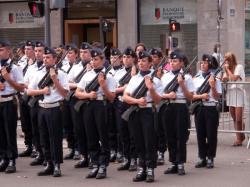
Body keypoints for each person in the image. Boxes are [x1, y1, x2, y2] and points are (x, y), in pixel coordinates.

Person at [27, 47, 69, 177]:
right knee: (43, 137)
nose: (45, 59)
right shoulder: (38, 73)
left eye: (48, 57)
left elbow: (65, 94)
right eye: (44, 57)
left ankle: (57, 165)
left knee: (55, 138)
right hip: (42, 108)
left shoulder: (61, 73)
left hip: (55, 108)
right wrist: (42, 92)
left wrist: (55, 79)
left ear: (55, 59)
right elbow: (29, 91)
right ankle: (48, 163)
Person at [75, 48, 116, 179]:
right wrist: (87, 94)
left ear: (103, 60)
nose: (93, 62)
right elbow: (77, 92)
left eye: (96, 59)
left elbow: (112, 97)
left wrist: (103, 86)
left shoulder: (108, 76)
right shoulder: (87, 75)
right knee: (91, 136)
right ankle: (94, 163)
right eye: (92, 59)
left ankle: (103, 165)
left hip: (101, 105)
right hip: (88, 105)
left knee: (103, 136)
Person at [123, 51, 162, 183]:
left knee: (149, 141)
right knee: (138, 140)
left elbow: (158, 101)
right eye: (139, 61)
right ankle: (142, 168)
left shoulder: (155, 80)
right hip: (135, 111)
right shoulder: (134, 78)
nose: (140, 63)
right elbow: (125, 96)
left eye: (144, 61)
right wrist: (137, 101)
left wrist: (151, 89)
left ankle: (150, 168)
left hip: (148, 112)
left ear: (150, 63)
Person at [161, 50, 194, 176]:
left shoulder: (187, 77)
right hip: (168, 106)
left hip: (181, 106)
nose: (172, 63)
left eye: (175, 61)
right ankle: (173, 162)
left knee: (181, 136)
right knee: (170, 136)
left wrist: (182, 84)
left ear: (181, 63)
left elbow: (190, 96)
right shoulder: (165, 76)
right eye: (171, 61)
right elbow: (160, 94)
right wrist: (168, 95)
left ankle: (180, 163)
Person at [192, 54, 222, 169]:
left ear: (210, 64)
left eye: (205, 63)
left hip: (211, 108)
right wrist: (200, 96)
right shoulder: (196, 78)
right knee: (200, 134)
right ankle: (202, 157)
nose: (202, 64)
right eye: (201, 62)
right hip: (199, 108)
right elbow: (192, 96)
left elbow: (217, 97)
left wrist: (213, 86)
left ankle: (210, 157)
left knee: (211, 134)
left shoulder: (215, 79)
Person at [0, 40, 24, 173]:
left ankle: (11, 159)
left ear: (8, 51)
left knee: (9, 131)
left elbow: (21, 88)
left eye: (1, 50)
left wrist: (8, 79)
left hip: (9, 101)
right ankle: (3, 157)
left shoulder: (15, 68)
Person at [67, 42, 92, 168]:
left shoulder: (94, 67)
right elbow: (68, 84)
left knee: (90, 129)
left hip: (89, 101)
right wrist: (79, 85)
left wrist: (79, 84)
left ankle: (93, 156)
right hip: (76, 100)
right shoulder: (75, 67)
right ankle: (83, 155)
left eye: (86, 52)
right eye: (81, 52)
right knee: (78, 128)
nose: (83, 54)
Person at [24, 41, 45, 166]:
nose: (37, 53)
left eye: (40, 51)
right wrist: (35, 89)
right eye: (36, 51)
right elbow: (24, 83)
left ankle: (48, 155)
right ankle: (39, 153)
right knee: (35, 128)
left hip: (44, 101)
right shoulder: (31, 68)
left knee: (45, 129)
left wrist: (34, 88)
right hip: (33, 100)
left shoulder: (49, 68)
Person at [222, 52, 245, 146]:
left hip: (238, 93)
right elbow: (225, 79)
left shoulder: (239, 67)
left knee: (239, 118)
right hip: (231, 94)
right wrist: (224, 77)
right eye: (225, 59)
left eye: (227, 59)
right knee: (234, 118)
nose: (226, 61)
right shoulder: (227, 69)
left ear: (232, 59)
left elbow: (234, 78)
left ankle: (240, 138)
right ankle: (239, 136)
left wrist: (227, 70)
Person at [18, 40, 35, 158]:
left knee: (34, 122)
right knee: (25, 123)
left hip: (32, 95)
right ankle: (28, 146)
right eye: (26, 49)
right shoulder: (22, 61)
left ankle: (36, 146)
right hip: (22, 95)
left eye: (29, 49)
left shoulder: (38, 63)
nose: (26, 51)